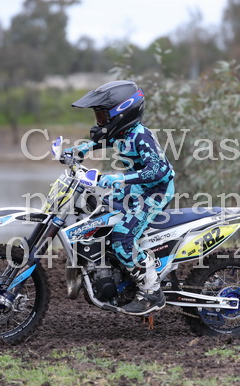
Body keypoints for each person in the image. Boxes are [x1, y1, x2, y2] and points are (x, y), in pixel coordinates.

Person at [66, 80, 175, 315]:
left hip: (154, 192)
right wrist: (80, 150)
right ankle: (114, 270)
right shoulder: (124, 133)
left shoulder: (141, 136)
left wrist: (119, 178)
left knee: (122, 239)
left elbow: (158, 171)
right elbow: (103, 140)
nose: (100, 122)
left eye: (103, 116)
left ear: (122, 113)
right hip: (138, 189)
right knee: (98, 209)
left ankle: (152, 292)